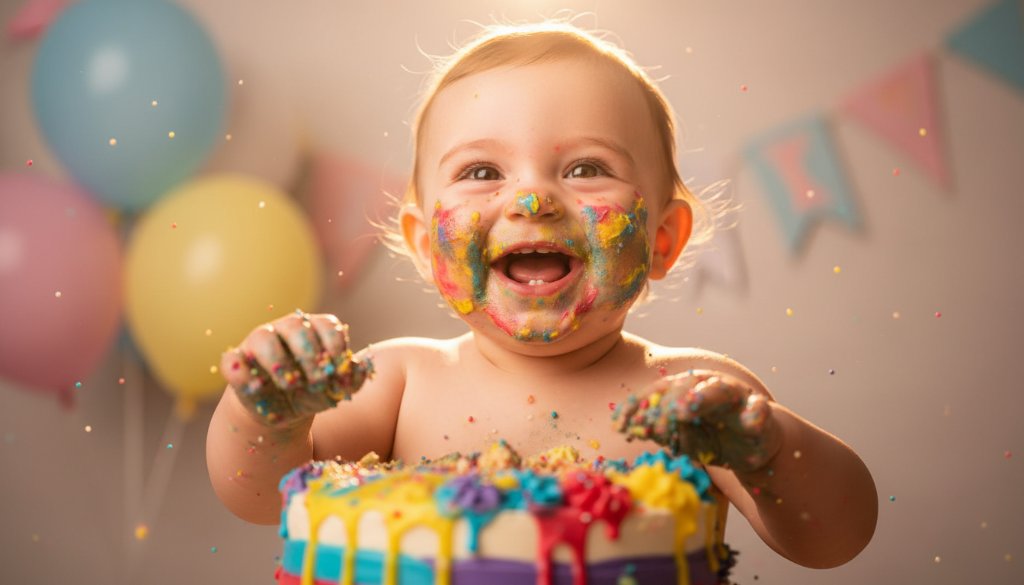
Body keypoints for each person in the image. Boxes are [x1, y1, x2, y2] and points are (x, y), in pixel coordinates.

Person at [206, 20, 877, 569]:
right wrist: (270, 414)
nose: (532, 199)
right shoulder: (398, 382)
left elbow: (836, 536)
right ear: (422, 241)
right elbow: (261, 495)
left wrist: (765, 449)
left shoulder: (695, 398)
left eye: (586, 167)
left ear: (663, 238)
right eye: (481, 171)